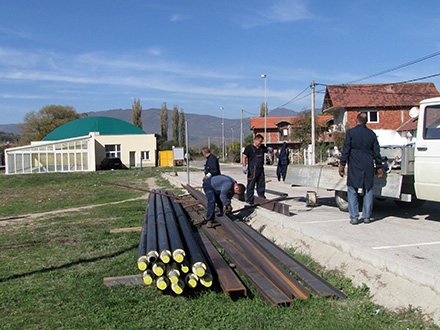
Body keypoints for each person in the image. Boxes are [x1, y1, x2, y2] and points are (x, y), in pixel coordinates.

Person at [338, 112, 384, 225]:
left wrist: (342, 164)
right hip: (368, 165)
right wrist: (379, 166)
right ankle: (367, 216)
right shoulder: (371, 134)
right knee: (368, 190)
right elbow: (376, 152)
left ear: (356, 120)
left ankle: (354, 217)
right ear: (366, 121)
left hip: (355, 165)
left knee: (352, 190)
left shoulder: (351, 133)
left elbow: (346, 150)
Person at [242, 134, 273, 205]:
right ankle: (249, 200)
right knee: (251, 185)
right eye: (260, 141)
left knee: (261, 184)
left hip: (260, 169)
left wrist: (269, 149)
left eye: (261, 142)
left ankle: (261, 198)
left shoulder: (261, 147)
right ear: (255, 140)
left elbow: (267, 150)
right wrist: (244, 166)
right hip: (252, 170)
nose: (260, 143)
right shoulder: (249, 148)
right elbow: (244, 156)